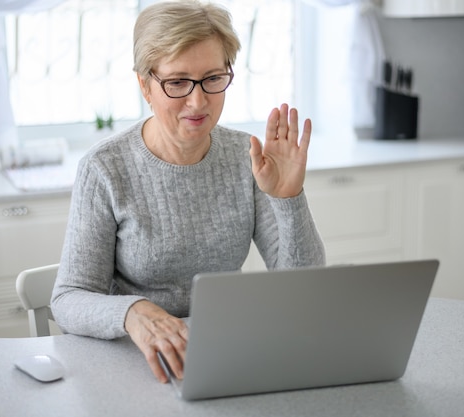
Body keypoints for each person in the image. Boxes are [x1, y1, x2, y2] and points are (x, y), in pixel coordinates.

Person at [51, 0, 326, 384]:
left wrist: (288, 198)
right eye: (178, 82)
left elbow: (302, 290)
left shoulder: (247, 158)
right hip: (135, 363)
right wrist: (133, 313)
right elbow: (69, 298)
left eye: (213, 78)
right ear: (145, 85)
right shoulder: (105, 168)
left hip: (226, 356)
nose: (198, 102)